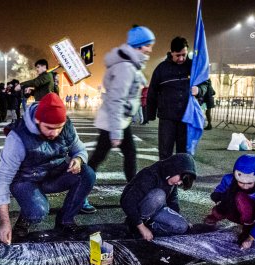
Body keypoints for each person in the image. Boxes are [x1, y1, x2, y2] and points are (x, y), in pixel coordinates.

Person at [0, 93, 96, 244]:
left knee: (87, 174)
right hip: (25, 180)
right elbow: (2, 179)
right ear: (37, 120)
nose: (54, 133)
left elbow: (80, 148)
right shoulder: (17, 138)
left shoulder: (66, 125)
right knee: (38, 212)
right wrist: (5, 222)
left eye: (59, 128)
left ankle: (65, 221)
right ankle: (27, 215)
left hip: (52, 175)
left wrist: (78, 159)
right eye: (49, 128)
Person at [85, 25, 155, 214]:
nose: (150, 49)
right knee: (105, 157)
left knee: (107, 157)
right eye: (148, 45)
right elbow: (116, 99)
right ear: (139, 46)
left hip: (117, 121)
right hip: (114, 123)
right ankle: (81, 192)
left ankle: (83, 191)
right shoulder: (126, 67)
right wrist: (116, 131)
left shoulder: (128, 64)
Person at [147, 36, 208, 160]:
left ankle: (184, 179)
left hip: (187, 118)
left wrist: (199, 90)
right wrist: (150, 114)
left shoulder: (193, 66)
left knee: (184, 154)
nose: (181, 58)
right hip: (167, 118)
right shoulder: (161, 69)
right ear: (171, 52)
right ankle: (165, 178)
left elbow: (206, 83)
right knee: (165, 153)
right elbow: (152, 91)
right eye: (177, 55)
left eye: (184, 55)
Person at [204, 154, 255, 250]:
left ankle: (248, 228)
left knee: (241, 197)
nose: (245, 186)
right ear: (235, 176)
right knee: (229, 196)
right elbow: (221, 188)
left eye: (249, 183)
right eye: (241, 182)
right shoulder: (228, 179)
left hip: (252, 217)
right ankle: (216, 215)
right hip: (236, 212)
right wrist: (217, 194)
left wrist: (251, 237)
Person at [121, 153, 196, 241]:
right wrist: (141, 227)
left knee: (181, 226)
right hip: (139, 209)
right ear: (174, 170)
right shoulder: (150, 174)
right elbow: (127, 202)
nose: (179, 183)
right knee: (159, 195)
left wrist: (180, 218)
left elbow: (173, 201)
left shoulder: (172, 177)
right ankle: (135, 226)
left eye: (181, 182)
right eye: (180, 179)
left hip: (156, 209)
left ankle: (149, 228)